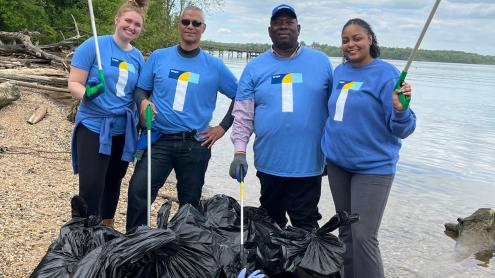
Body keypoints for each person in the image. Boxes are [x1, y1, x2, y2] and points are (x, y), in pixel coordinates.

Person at [126, 5, 238, 232]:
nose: (190, 27)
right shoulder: (159, 57)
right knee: (139, 190)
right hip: (158, 139)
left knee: (190, 203)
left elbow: (242, 98)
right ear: (179, 24)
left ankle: (185, 250)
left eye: (196, 23)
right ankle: (133, 243)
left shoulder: (214, 66)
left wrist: (222, 128)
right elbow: (140, 90)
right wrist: (143, 103)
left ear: (203, 28)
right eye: (186, 22)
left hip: (195, 143)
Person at [321, 18, 416, 278]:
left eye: (357, 38)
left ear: (370, 40)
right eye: (345, 40)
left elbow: (403, 129)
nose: (350, 44)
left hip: (373, 168)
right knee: (345, 231)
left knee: (364, 236)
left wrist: (400, 110)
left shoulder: (387, 74)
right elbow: (333, 116)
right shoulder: (339, 73)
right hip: (338, 165)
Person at [229, 4, 333, 232]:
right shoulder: (254, 67)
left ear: (299, 28)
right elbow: (243, 115)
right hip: (269, 163)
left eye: (289, 21)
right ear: (269, 30)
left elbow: (338, 107)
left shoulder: (322, 62)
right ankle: (272, 268)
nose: (283, 25)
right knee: (270, 223)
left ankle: (305, 269)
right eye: (278, 22)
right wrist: (239, 152)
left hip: (309, 164)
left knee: (305, 225)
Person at [68, 0, 147, 228]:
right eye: (128, 21)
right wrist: (87, 94)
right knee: (92, 184)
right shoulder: (93, 46)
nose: (131, 27)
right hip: (94, 125)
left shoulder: (138, 58)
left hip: (123, 129)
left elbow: (138, 94)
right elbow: (73, 83)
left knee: (114, 181)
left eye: (137, 24)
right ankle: (83, 229)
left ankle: (106, 227)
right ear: (117, 20)